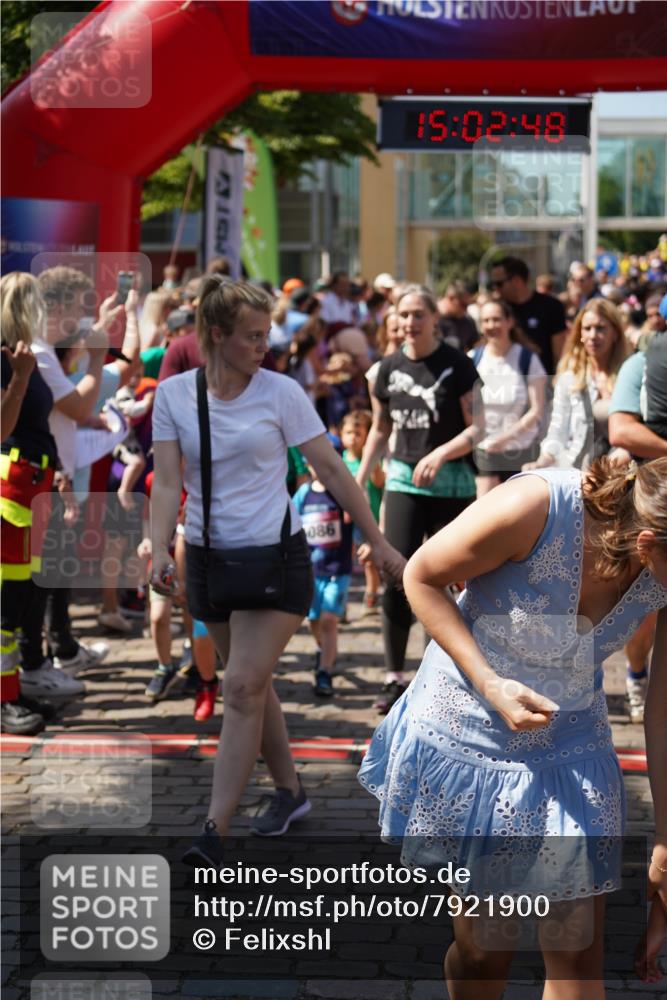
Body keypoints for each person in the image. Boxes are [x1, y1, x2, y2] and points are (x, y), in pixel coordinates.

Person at [359, 457, 667, 999]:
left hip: (572, 744)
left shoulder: (662, 565)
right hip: (472, 733)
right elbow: (421, 576)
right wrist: (490, 683)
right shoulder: (536, 507)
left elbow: (664, 708)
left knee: (576, 958)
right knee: (484, 954)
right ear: (646, 545)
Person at [149, 276, 404, 864]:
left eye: (267, 334)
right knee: (251, 681)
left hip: (277, 561)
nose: (266, 346)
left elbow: (334, 472)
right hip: (208, 563)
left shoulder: (282, 392)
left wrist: (379, 541)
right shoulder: (174, 396)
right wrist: (158, 547)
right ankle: (290, 792)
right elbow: (166, 481)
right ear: (217, 336)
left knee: (239, 686)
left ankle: (213, 828)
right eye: (252, 336)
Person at [356, 284, 480, 714]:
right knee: (397, 574)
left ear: (433, 318)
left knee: (445, 580)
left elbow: (478, 427)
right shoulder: (385, 370)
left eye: (417, 314)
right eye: (403, 315)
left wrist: (442, 453)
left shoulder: (457, 365)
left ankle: (440, 674)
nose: (410, 322)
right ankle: (393, 677)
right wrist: (357, 476)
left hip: (453, 487)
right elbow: (379, 429)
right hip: (404, 482)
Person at [1, 273, 59, 734]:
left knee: (21, 600)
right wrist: (18, 379)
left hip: (34, 485)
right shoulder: (8, 358)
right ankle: (4, 701)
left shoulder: (24, 354)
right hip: (12, 489)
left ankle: (13, 690)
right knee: (7, 603)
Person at [525, 299, 628, 472]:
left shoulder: (628, 375)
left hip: (620, 472)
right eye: (587, 328)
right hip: (576, 471)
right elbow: (557, 430)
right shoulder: (569, 378)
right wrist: (541, 462)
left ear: (615, 333)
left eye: (600, 328)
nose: (593, 335)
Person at [469, 298, 547, 496]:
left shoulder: (527, 359)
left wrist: (504, 439)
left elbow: (537, 410)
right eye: (486, 321)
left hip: (520, 450)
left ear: (509, 322)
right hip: (484, 449)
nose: (491, 326)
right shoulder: (473, 359)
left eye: (496, 319)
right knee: (483, 510)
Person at [293, 464, 355, 697]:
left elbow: (358, 518)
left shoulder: (342, 492)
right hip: (311, 571)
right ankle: (322, 649)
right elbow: (292, 521)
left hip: (338, 570)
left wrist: (364, 541)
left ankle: (324, 672)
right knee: (314, 619)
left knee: (329, 620)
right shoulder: (304, 494)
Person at [490, 255, 567, 376]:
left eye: (499, 284)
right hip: (508, 384)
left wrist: (558, 381)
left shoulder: (551, 306)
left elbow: (560, 352)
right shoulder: (499, 309)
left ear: (517, 281)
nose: (495, 289)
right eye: (493, 284)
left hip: (543, 383)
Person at [341, 410, 384, 614]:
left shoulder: (370, 461)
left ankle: (371, 595)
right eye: (349, 432)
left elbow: (379, 482)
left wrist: (373, 462)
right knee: (342, 560)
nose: (353, 438)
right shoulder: (340, 460)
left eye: (358, 433)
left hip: (368, 520)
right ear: (341, 434)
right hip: (345, 520)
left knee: (369, 561)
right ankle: (340, 602)